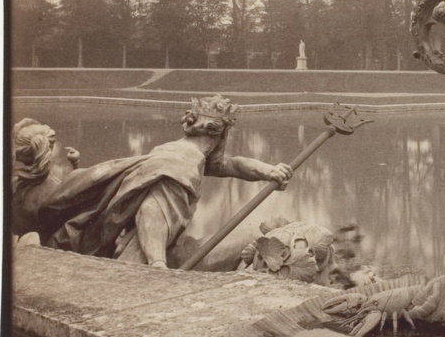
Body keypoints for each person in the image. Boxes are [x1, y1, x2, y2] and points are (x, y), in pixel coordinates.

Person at [36, 95, 292, 268]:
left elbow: (229, 165)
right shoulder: (185, 163)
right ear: (221, 135)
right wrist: (157, 265)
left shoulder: (178, 150)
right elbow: (154, 211)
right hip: (142, 254)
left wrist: (268, 171)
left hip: (136, 240)